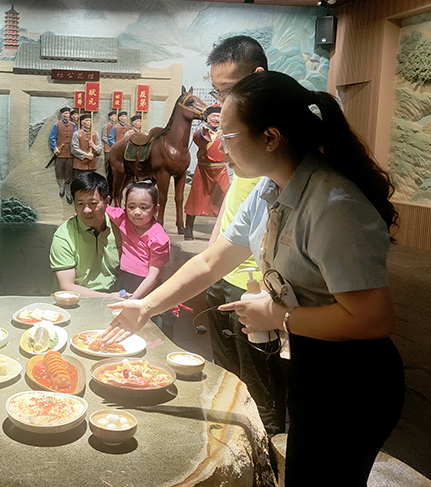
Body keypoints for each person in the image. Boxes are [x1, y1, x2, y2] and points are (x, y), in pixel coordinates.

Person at [104, 71, 404, 486]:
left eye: (228, 136)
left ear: (270, 138)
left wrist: (278, 316)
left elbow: (373, 318)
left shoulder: (334, 206)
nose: (219, 145)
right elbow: (212, 262)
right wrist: (145, 306)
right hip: (314, 364)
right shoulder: (267, 190)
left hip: (356, 381)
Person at [201, 35, 286, 436]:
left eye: (229, 91)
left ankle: (265, 453)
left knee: (260, 389)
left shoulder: (272, 146)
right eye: (217, 93)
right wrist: (210, 256)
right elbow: (236, 202)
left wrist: (277, 305)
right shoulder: (245, 146)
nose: (222, 104)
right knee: (226, 380)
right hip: (227, 275)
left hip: (256, 285)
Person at [49, 171, 121, 299]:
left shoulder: (120, 228)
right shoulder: (64, 236)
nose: (86, 210)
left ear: (107, 201)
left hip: (115, 294)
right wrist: (107, 297)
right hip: (74, 300)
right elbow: (66, 286)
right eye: (80, 204)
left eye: (93, 203)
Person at [108, 180, 170, 300]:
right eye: (131, 207)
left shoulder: (159, 239)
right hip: (123, 278)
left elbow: (154, 275)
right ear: (125, 206)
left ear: (155, 209)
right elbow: (102, 209)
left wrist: (134, 298)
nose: (137, 212)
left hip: (145, 285)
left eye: (144, 207)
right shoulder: (123, 217)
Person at [184, 105, 228, 240]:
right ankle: (188, 228)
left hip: (221, 171)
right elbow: (199, 139)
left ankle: (224, 231)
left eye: (219, 116)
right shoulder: (202, 132)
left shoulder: (225, 132)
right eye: (213, 116)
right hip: (203, 171)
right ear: (207, 118)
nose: (216, 119)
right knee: (195, 199)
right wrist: (203, 132)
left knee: (225, 199)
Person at [49, 106, 76, 204]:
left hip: (70, 153)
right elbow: (52, 137)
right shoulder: (57, 125)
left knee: (69, 171)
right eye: (65, 113)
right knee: (59, 170)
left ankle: (68, 189)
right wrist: (54, 148)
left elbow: (76, 137)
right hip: (60, 153)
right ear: (61, 114)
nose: (66, 115)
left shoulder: (73, 125)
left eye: (68, 113)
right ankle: (61, 186)